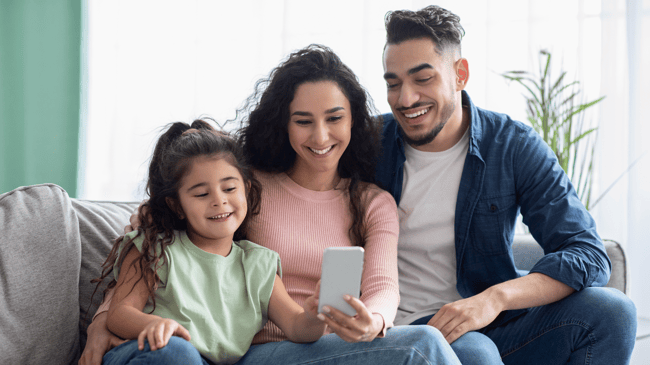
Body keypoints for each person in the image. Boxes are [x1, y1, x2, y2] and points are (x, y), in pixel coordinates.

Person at [80, 45, 461, 365]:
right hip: (255, 348)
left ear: (353, 121)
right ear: (284, 123)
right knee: (422, 346)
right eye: (303, 121)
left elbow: (382, 285)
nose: (321, 136)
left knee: (465, 348)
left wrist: (373, 321)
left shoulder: (373, 203)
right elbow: (156, 232)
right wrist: (103, 321)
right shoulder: (246, 186)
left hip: (326, 341)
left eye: (334, 118)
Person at [376, 5, 637, 364]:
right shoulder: (368, 144)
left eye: (423, 79)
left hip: (492, 322)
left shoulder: (511, 146)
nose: (405, 99)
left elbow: (587, 252)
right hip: (406, 331)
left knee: (613, 311)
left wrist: (494, 299)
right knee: (476, 353)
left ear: (460, 74)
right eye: (393, 83)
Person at [93, 120, 326, 364]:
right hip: (154, 353)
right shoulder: (157, 249)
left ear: (245, 189)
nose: (218, 200)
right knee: (178, 352)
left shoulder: (258, 263)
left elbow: (297, 327)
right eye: (202, 194)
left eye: (229, 188)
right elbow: (119, 314)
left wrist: (315, 316)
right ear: (177, 205)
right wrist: (157, 324)